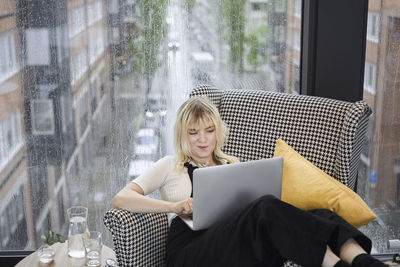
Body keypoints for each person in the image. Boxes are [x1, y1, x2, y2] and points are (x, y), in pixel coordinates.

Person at [112, 96, 386, 267]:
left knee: (320, 214)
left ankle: (362, 261)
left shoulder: (233, 164)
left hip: (236, 246)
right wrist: (174, 207)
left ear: (218, 131)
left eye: (209, 131)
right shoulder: (169, 164)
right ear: (183, 135)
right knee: (264, 208)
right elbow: (121, 198)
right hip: (190, 252)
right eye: (193, 133)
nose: (203, 139)